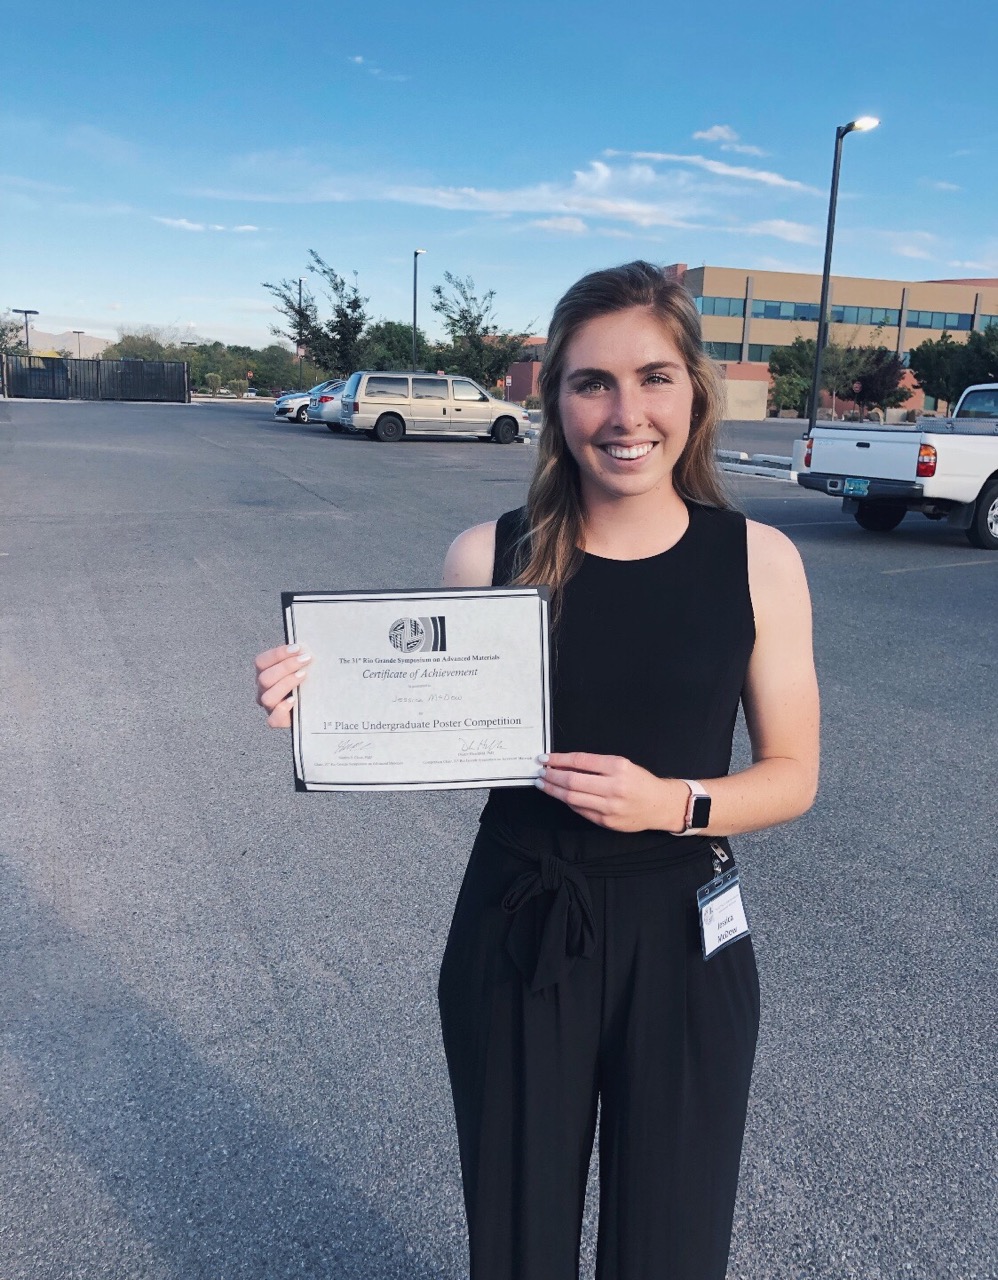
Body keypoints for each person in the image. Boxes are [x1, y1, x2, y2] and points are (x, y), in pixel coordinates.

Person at [254, 260, 820, 1280]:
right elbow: (430, 719)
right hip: (516, 919)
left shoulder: (756, 560)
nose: (624, 411)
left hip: (681, 925)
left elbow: (790, 775)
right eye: (590, 382)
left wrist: (673, 801)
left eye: (652, 376)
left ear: (693, 391)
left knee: (671, 1245)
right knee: (515, 1242)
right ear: (552, 398)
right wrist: (319, 701)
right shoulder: (489, 556)